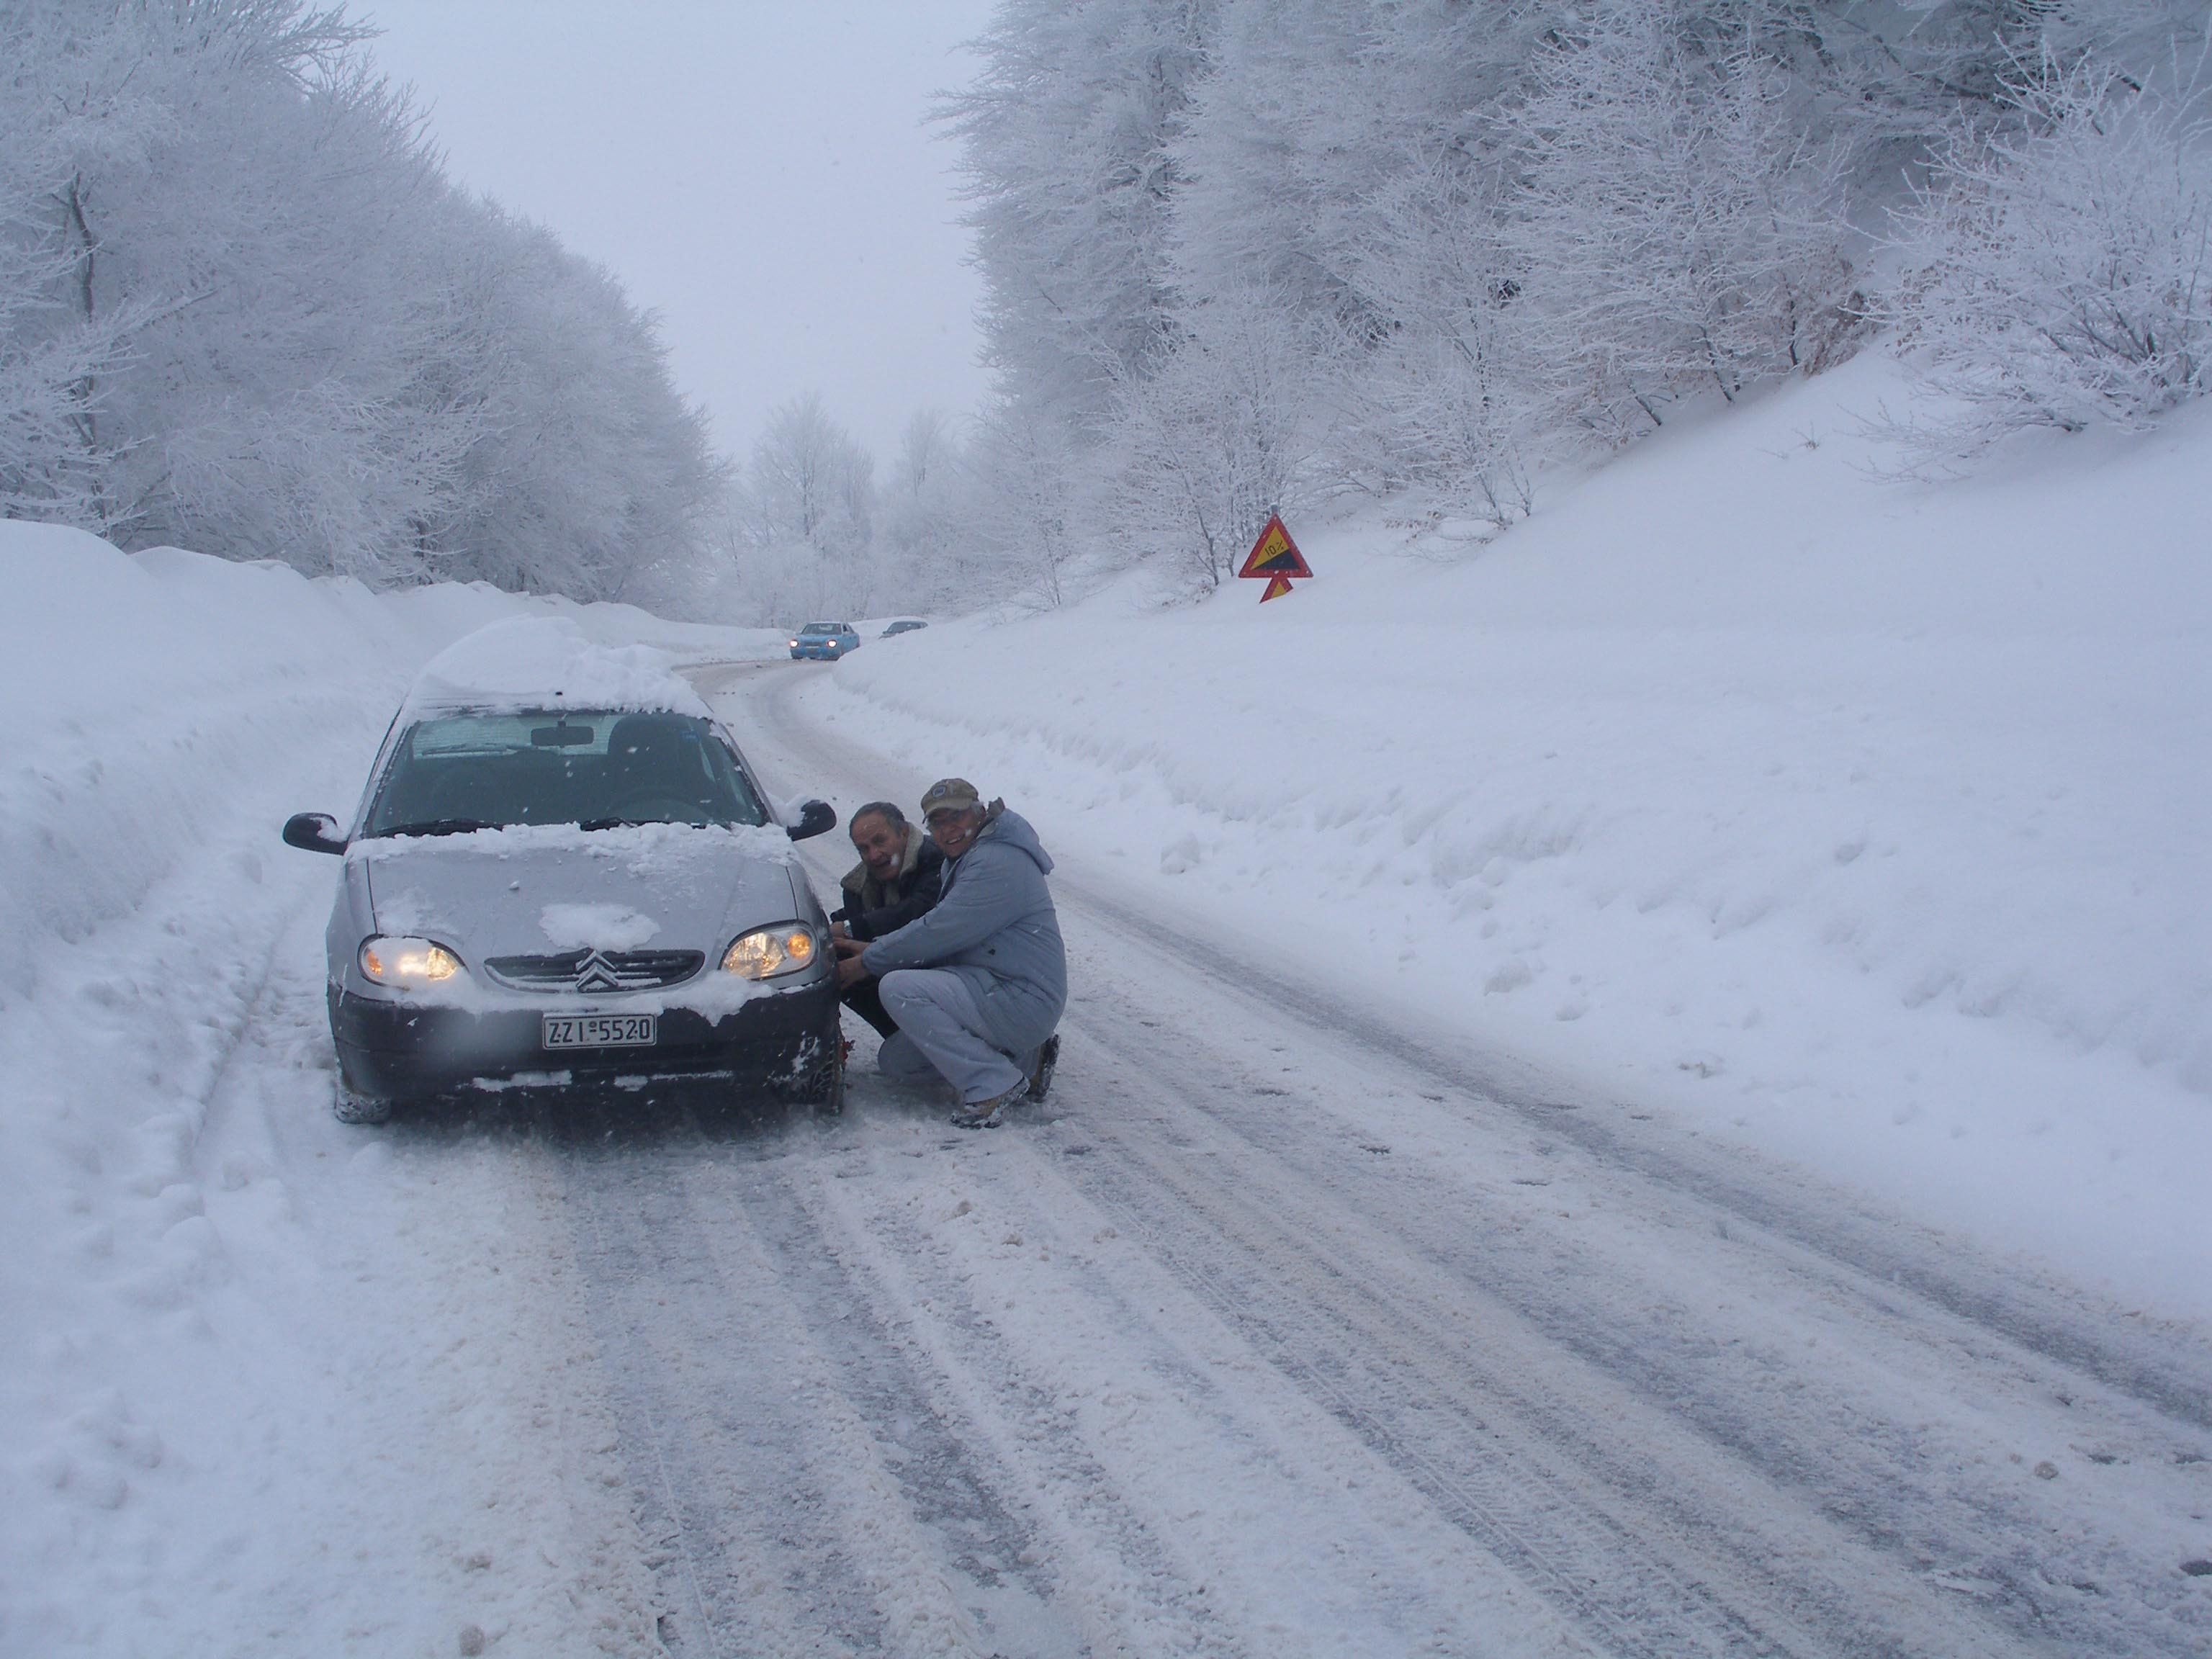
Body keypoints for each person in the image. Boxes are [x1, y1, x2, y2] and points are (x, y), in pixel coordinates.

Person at [835, 778, 1066, 1128]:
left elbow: (938, 930)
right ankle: (1027, 1063)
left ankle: (993, 1083)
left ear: (980, 812)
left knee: (899, 988)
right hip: (995, 987)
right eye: (937, 823)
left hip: (1021, 996)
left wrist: (869, 960)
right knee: (897, 1061)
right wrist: (874, 949)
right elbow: (944, 936)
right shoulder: (965, 858)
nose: (947, 830)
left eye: (955, 817)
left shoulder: (997, 862)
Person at [831, 800, 944, 1039]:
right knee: (830, 961)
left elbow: (917, 911)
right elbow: (860, 916)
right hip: (906, 966)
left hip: (948, 971)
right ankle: (904, 1039)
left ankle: (936, 1039)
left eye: (880, 841)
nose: (873, 855)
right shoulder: (858, 887)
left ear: (903, 832)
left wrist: (850, 929)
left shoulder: (937, 859)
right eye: (863, 848)